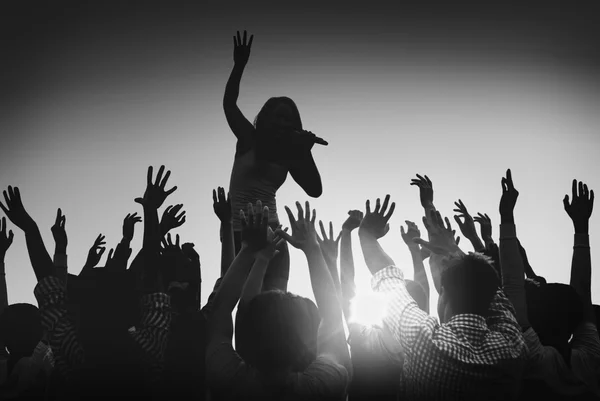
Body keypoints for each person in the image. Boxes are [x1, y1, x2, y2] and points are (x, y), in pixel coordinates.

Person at [223, 30, 326, 292]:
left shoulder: (291, 155)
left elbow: (315, 190)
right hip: (240, 235)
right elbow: (229, 104)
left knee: (274, 303)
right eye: (279, 117)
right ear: (266, 118)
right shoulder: (249, 139)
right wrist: (239, 65)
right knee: (241, 301)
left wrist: (305, 150)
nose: (284, 123)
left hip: (273, 235)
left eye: (289, 120)